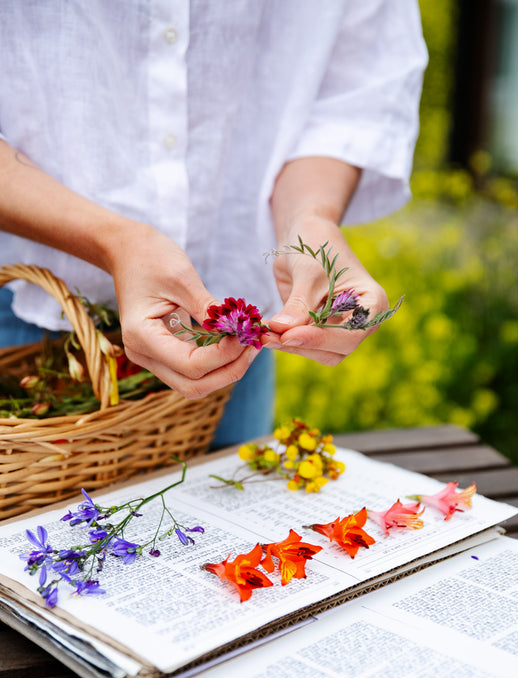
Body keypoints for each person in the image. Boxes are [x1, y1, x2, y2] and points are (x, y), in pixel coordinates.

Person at [0, 1, 427, 446]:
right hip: (25, 312)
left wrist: (308, 219)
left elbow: (352, 94)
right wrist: (117, 243)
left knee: (233, 505)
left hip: (231, 346)